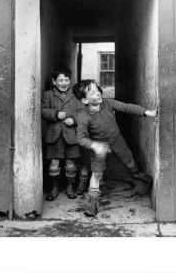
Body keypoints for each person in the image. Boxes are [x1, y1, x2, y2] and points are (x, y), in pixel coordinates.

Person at [72, 79, 158, 217]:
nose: (98, 94)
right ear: (84, 101)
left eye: (97, 90)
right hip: (99, 145)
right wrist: (95, 145)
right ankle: (92, 202)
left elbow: (125, 107)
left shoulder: (107, 103)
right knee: (96, 173)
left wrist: (147, 112)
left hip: (116, 139)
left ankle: (135, 173)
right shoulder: (84, 117)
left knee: (128, 158)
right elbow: (81, 138)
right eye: (92, 93)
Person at [41, 66, 89, 201]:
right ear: (54, 81)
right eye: (60, 80)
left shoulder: (75, 95)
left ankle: (70, 188)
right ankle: (54, 189)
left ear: (70, 80)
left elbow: (83, 112)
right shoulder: (48, 95)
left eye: (66, 80)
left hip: (71, 136)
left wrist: (73, 119)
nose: (64, 83)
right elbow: (43, 110)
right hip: (54, 136)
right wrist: (56, 113)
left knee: (71, 164)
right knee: (54, 164)